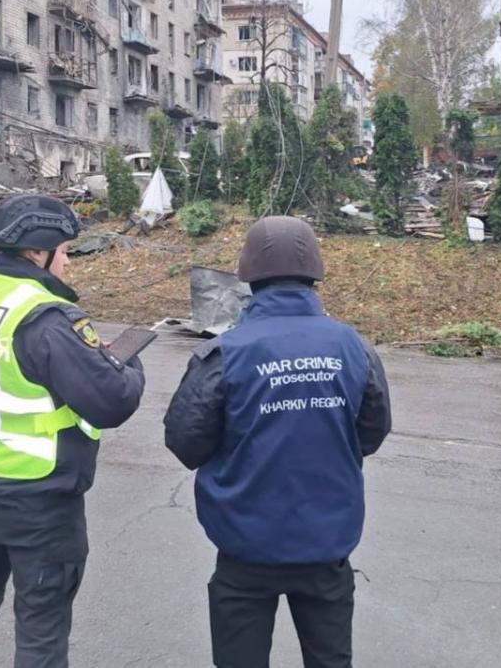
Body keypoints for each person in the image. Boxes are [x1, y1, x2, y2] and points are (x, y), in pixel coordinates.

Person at [0, 194, 145, 668]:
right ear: (36, 252)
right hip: (39, 499)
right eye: (63, 251)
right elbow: (112, 401)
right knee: (41, 627)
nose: (67, 262)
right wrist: (122, 360)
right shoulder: (44, 316)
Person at [163, 215, 392, 668]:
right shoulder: (353, 347)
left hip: (244, 548)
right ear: (315, 274)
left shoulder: (226, 353)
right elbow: (372, 431)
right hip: (326, 544)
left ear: (248, 275)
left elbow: (186, 441)